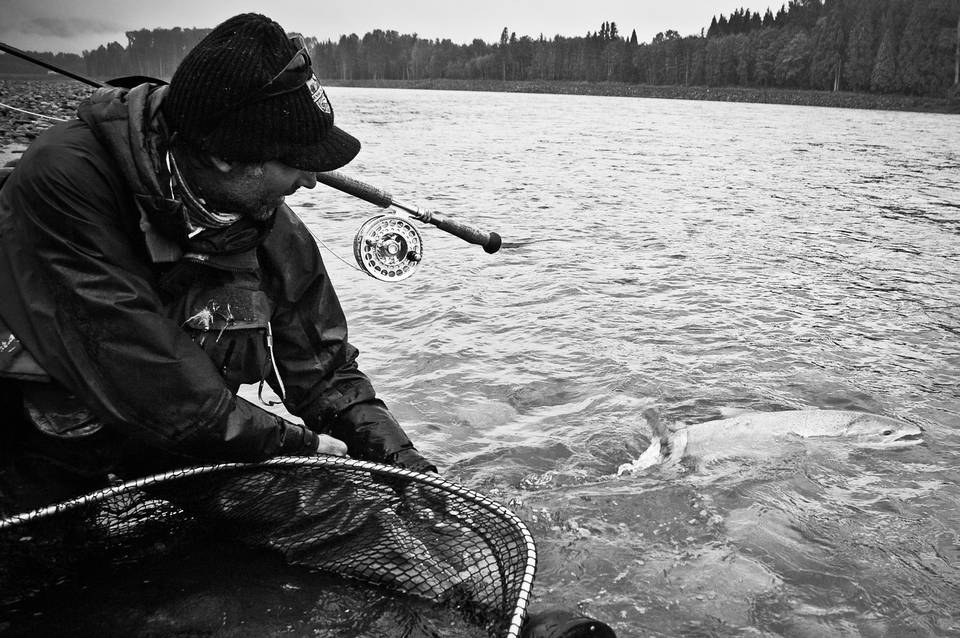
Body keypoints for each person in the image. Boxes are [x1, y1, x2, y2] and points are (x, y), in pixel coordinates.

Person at [0, 12, 435, 515]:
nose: (313, 180)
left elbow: (324, 373)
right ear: (228, 158)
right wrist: (299, 446)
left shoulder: (268, 221)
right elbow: (149, 381)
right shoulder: (62, 182)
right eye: (296, 161)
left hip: (187, 446)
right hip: (34, 456)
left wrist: (400, 462)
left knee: (349, 520)